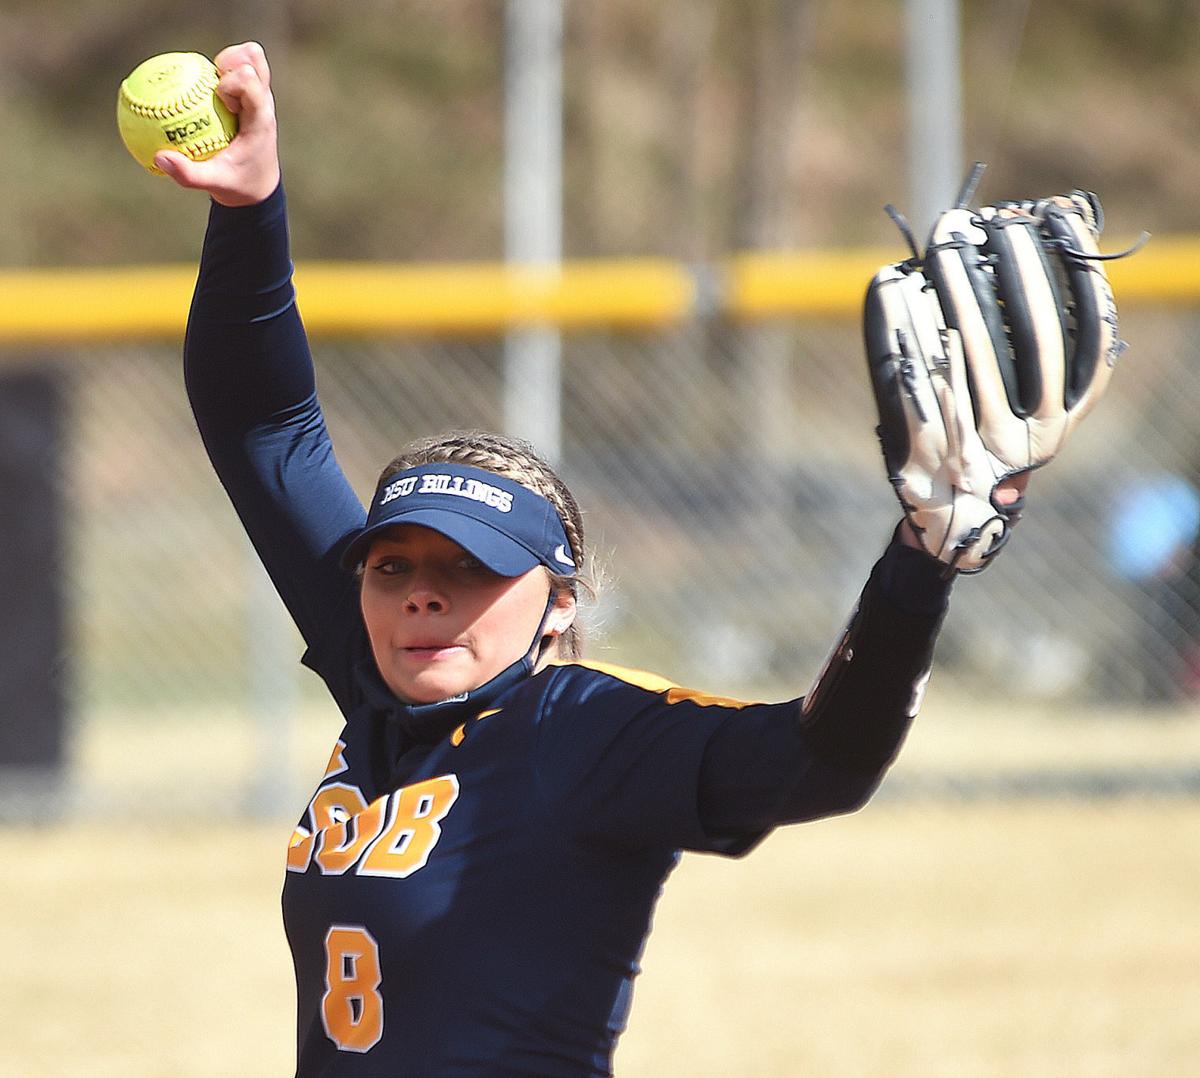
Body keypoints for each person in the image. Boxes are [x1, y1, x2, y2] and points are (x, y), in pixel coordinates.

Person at [161, 42, 1028, 1077]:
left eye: (474, 569)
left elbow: (821, 761)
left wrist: (918, 564)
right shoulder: (378, 678)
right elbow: (262, 425)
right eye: (392, 566)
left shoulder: (582, 730)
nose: (423, 592)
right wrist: (250, 208)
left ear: (556, 603)